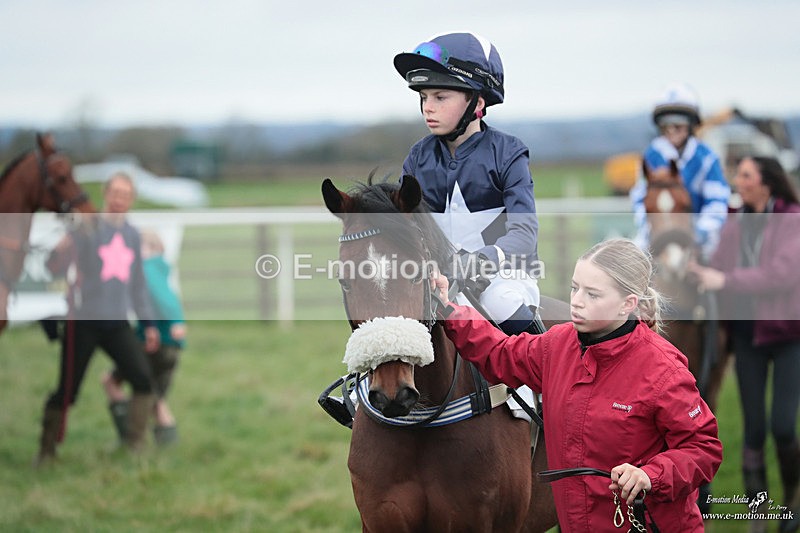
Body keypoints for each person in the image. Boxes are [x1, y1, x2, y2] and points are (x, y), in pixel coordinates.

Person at [432, 238, 723, 532]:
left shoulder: (663, 369)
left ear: (628, 304)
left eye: (593, 294)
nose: (577, 301)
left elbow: (704, 448)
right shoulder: (556, 345)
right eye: (575, 288)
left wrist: (651, 476)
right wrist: (450, 311)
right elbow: (501, 354)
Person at [394, 31, 541, 336]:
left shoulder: (509, 152)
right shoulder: (417, 157)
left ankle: (538, 377)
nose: (427, 108)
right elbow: (403, 226)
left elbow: (524, 233)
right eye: (423, 97)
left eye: (440, 97)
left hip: (502, 277)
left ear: (477, 101)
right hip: (439, 278)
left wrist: (483, 260)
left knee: (500, 301)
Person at [689, 156, 800, 533]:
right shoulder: (736, 220)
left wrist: (725, 281)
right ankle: (757, 515)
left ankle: (793, 500)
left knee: (783, 426)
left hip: (789, 335)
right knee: (753, 428)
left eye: (746, 175)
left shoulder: (791, 217)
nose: (738, 180)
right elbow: (718, 264)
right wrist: (696, 266)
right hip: (749, 335)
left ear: (766, 182)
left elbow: (783, 274)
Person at [35, 172, 159, 465]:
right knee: (68, 391)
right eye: (115, 193)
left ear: (131, 200)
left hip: (117, 324)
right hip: (84, 324)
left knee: (143, 381)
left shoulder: (132, 235)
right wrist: (60, 250)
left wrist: (149, 324)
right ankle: (46, 451)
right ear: (105, 194)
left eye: (125, 195)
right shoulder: (86, 230)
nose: (119, 200)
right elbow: (53, 267)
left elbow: (138, 286)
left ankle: (134, 445)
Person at [101, 229, 187, 446]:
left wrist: (175, 322)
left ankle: (130, 441)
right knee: (154, 398)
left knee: (128, 387)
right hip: (167, 344)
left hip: (158, 343)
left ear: (151, 249)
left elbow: (165, 300)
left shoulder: (147, 269)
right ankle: (163, 447)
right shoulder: (158, 269)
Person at [630, 82, 731, 261]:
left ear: (691, 124)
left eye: (678, 124)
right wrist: (649, 225)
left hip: (700, 232)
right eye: (665, 124)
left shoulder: (707, 158)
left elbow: (717, 202)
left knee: (718, 262)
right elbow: (639, 198)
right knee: (632, 262)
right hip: (658, 230)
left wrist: (700, 231)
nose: (671, 129)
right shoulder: (650, 156)